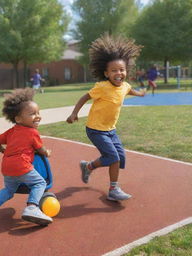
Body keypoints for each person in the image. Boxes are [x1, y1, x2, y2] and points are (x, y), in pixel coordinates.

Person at [66, 34, 145, 201]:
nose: (119, 73)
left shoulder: (125, 86)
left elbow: (129, 90)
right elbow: (85, 97)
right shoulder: (102, 87)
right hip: (95, 129)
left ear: (126, 71)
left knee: (120, 157)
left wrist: (140, 93)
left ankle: (88, 167)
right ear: (106, 73)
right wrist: (74, 113)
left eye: (121, 70)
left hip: (111, 130)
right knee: (113, 157)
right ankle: (113, 189)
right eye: (114, 70)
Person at [0, 88, 53, 227]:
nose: (37, 116)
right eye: (32, 114)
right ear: (18, 118)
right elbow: (40, 149)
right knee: (40, 184)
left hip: (7, 167)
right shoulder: (32, 132)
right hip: (22, 166)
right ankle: (32, 207)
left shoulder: (11, 131)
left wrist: (3, 151)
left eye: (38, 112)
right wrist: (47, 152)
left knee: (9, 190)